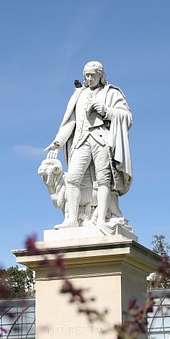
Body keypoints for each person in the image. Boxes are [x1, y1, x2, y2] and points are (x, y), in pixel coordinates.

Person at [45, 61, 133, 229]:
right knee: (72, 178)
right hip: (81, 139)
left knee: (103, 179)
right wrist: (57, 142)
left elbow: (127, 116)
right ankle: (71, 220)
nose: (89, 78)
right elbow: (71, 122)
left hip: (102, 138)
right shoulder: (78, 95)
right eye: (87, 75)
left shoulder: (112, 93)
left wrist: (106, 111)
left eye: (93, 75)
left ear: (101, 75)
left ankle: (101, 219)